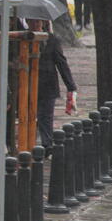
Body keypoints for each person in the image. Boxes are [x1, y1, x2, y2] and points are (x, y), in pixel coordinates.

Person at [28, 19, 77, 155]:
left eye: (38, 22)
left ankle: (46, 144)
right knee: (29, 115)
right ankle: (28, 143)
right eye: (32, 22)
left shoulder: (52, 40)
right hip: (28, 84)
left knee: (45, 116)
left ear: (43, 23)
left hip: (48, 84)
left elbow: (61, 62)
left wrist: (70, 86)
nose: (35, 24)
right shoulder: (24, 39)